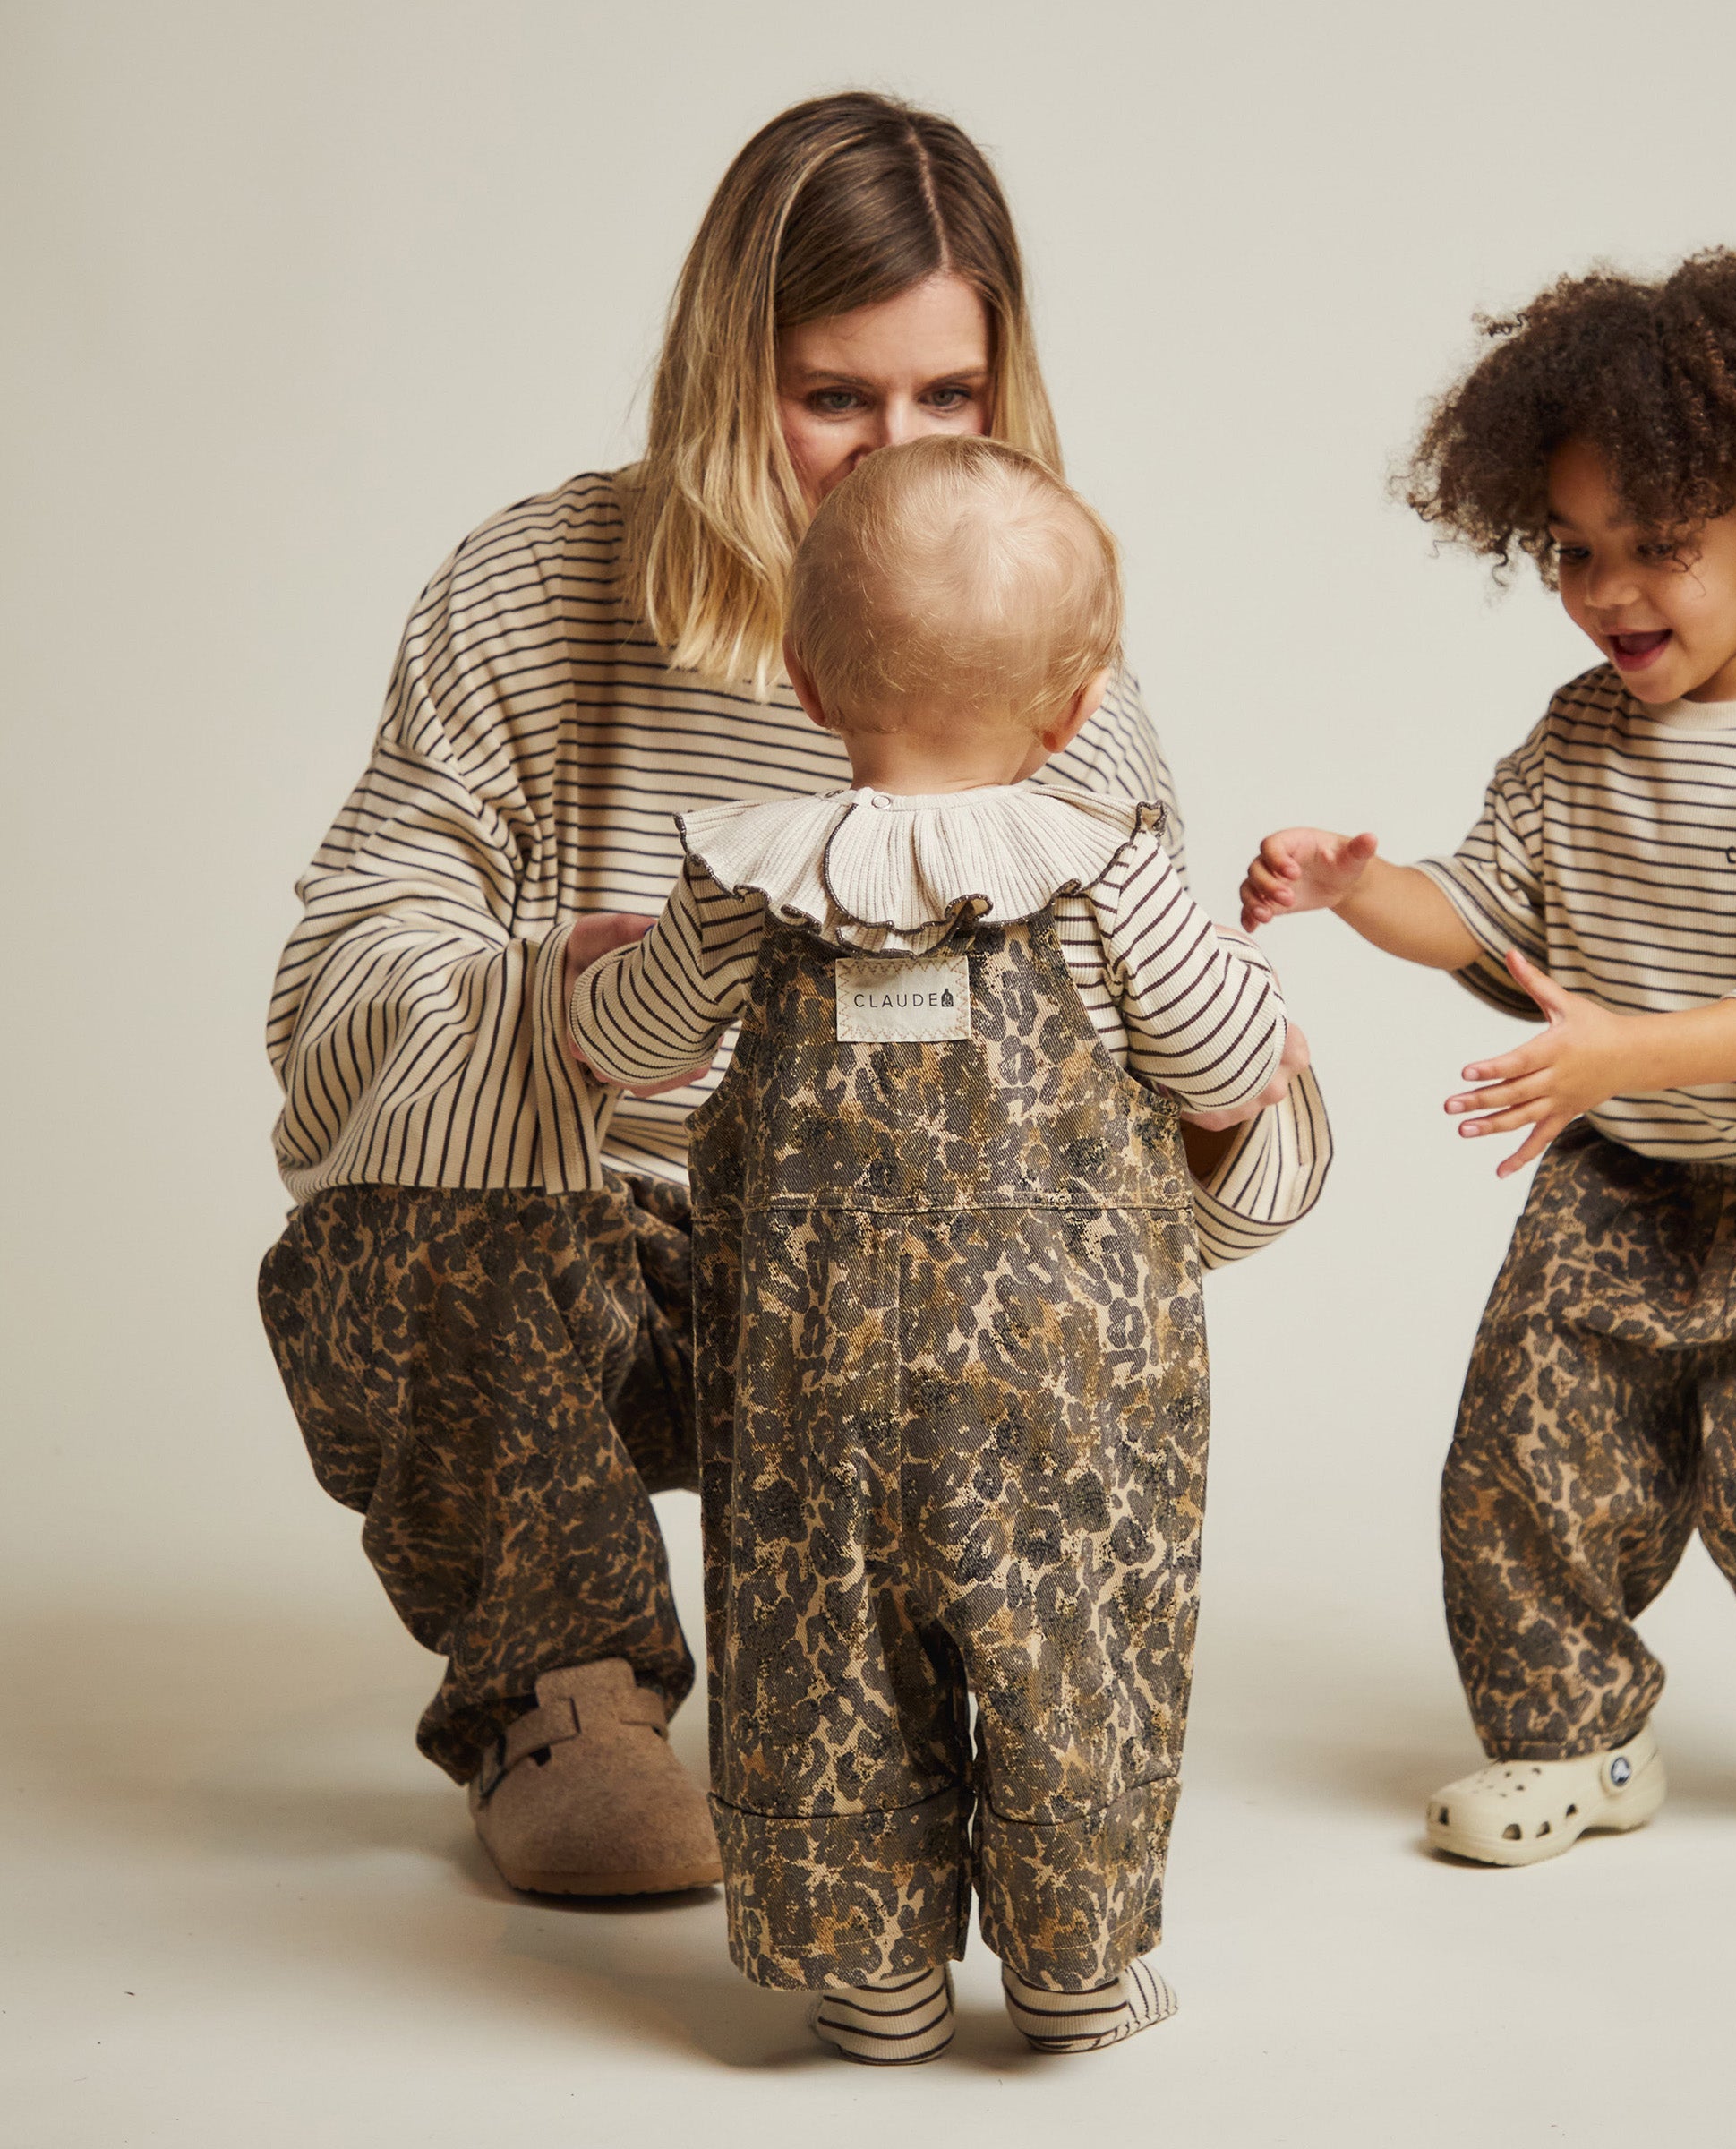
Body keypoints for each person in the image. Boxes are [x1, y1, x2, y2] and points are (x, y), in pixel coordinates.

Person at [257, 91, 1329, 1899]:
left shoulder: (1045, 651)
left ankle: (1015, 1740)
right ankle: (566, 1691)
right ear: (724, 374)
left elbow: (1160, 1128)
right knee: (380, 1243)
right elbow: (333, 996)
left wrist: (1239, 1120)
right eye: (834, 396)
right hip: (612, 1259)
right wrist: (551, 1002)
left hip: (916, 1286)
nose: (890, 453)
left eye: (948, 400)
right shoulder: (530, 593)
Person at [1242, 251, 1736, 1862]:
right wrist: (1360, 886)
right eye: (1576, 553)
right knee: (1525, 1449)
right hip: (1640, 1163)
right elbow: (1490, 906)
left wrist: (1622, 1054)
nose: (1609, 595)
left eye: (1661, 550)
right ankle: (1572, 1738)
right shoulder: (1581, 731)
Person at [568, 432, 1285, 2059]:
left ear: (810, 687)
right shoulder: (1108, 873)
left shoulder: (752, 873)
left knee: (828, 1649)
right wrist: (1273, 1041)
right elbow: (1229, 1063)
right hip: (1065, 1393)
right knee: (1070, 1640)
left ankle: (871, 1973)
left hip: (815, 1379)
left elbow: (636, 1043)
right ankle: (1075, 1969)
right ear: (1081, 703)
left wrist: (594, 971)